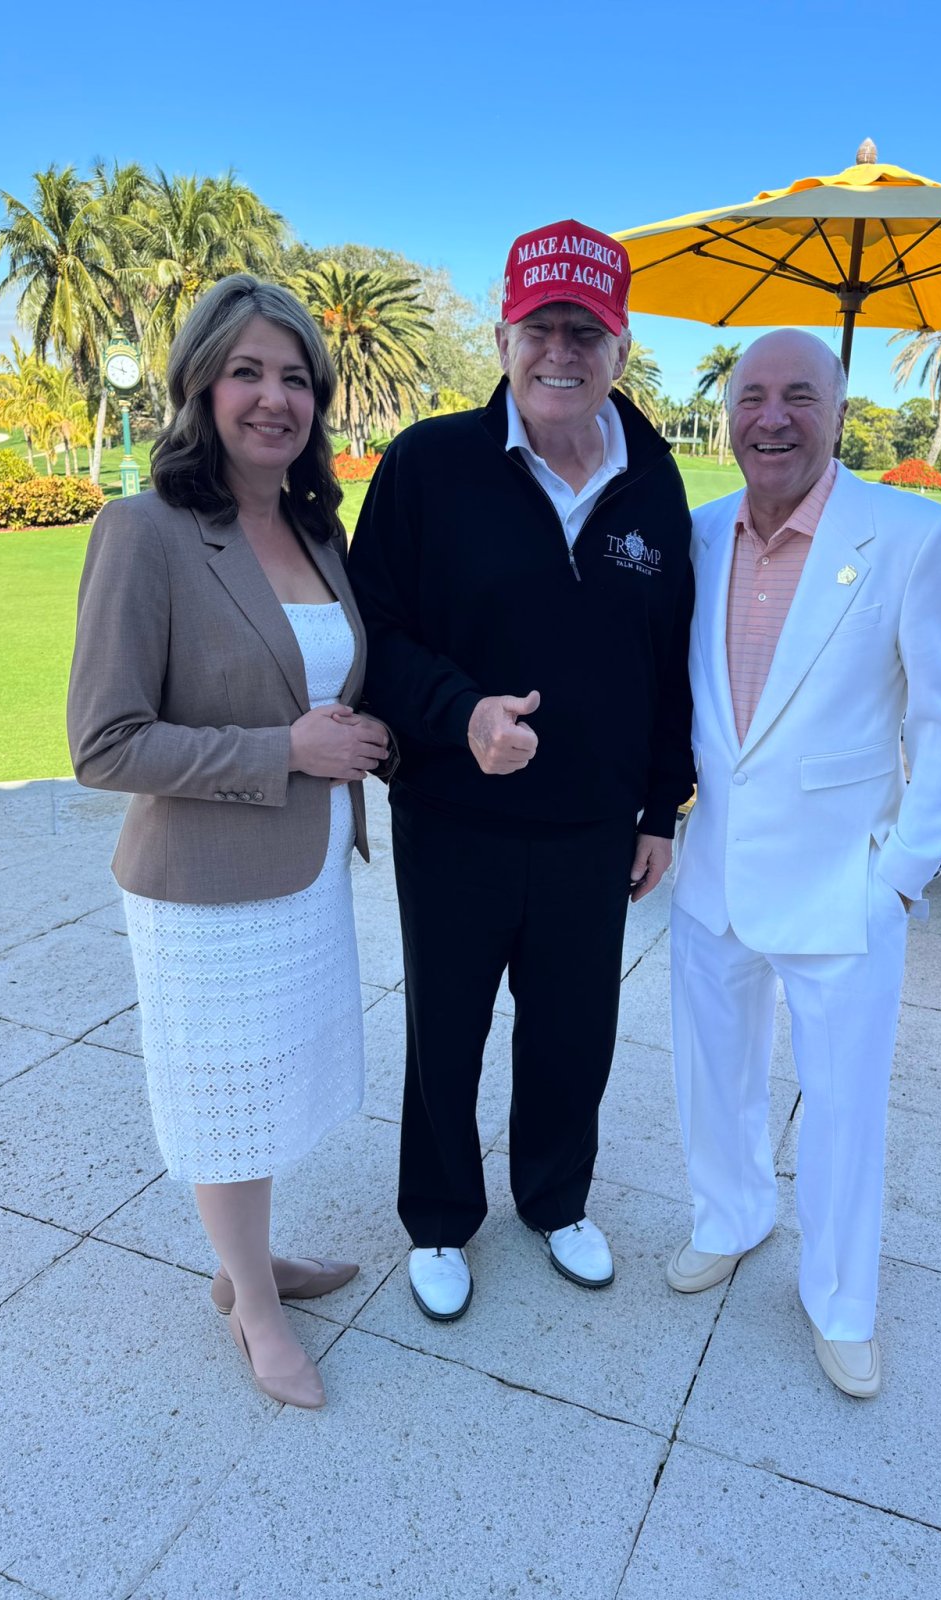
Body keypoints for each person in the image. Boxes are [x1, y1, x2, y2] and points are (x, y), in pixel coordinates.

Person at [348, 220, 694, 1321]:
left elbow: (671, 657)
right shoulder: (427, 464)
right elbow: (376, 636)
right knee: (446, 1026)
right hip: (455, 813)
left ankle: (557, 1198)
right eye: (540, 325)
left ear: (620, 347)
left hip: (594, 828)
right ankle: (442, 1219)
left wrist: (661, 809)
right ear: (502, 337)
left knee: (574, 1027)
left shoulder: (654, 481)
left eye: (585, 330)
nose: (562, 350)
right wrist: (463, 716)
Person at [67, 275, 391, 1409]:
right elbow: (105, 743)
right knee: (225, 1093)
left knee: (274, 1077)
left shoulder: (313, 527)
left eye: (296, 377)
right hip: (201, 887)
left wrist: (355, 736)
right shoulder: (144, 530)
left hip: (301, 874)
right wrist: (284, 754)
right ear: (200, 384)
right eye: (248, 371)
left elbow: (316, 688)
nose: (275, 398)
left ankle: (252, 1258)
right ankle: (252, 1306)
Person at [666, 330, 941, 1398]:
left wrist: (899, 875)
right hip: (713, 876)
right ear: (729, 414)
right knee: (713, 1075)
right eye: (753, 394)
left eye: (801, 394)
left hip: (845, 886)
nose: (773, 416)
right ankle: (731, 1212)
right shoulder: (697, 535)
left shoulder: (915, 534)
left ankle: (841, 1299)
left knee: (844, 1105)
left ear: (840, 412)